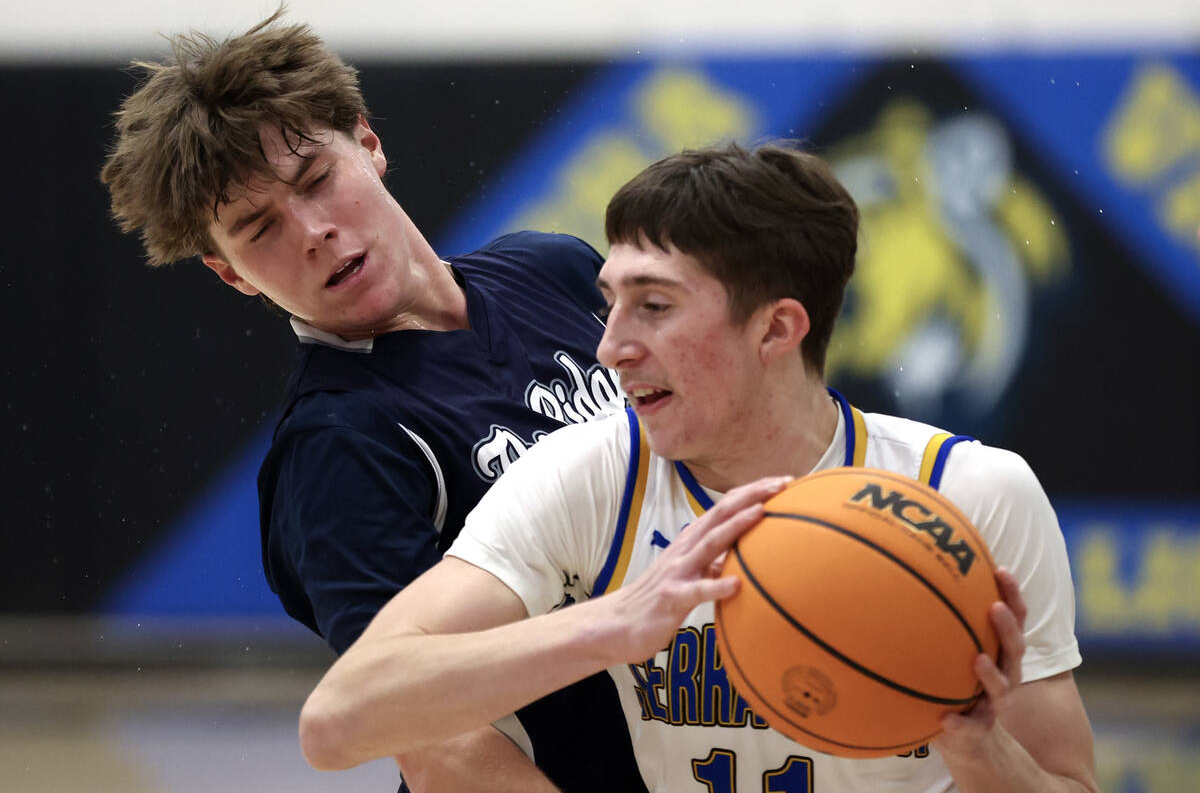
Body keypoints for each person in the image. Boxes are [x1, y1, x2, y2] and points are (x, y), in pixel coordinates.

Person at [299, 143, 1101, 792]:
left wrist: (978, 750)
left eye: (655, 305)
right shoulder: (586, 478)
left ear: (777, 327)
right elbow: (338, 722)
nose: (610, 345)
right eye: (609, 301)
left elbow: (1070, 783)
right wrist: (608, 625)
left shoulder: (970, 495)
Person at [99, 8, 648, 793]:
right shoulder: (338, 444)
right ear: (231, 275)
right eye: (258, 229)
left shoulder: (553, 271)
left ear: (368, 141)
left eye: (316, 179)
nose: (313, 230)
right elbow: (429, 739)